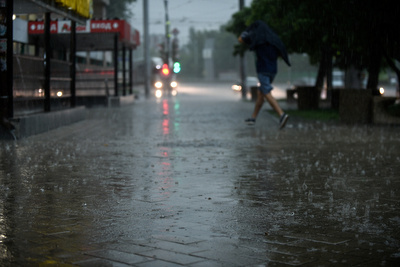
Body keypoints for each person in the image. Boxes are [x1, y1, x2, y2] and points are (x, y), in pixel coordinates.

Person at [238, 20, 290, 129]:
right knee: (261, 94)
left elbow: (240, 39)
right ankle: (253, 118)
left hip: (263, 69)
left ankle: (281, 114)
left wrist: (246, 32)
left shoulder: (257, 37)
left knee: (266, 92)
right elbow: (281, 52)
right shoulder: (273, 39)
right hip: (273, 70)